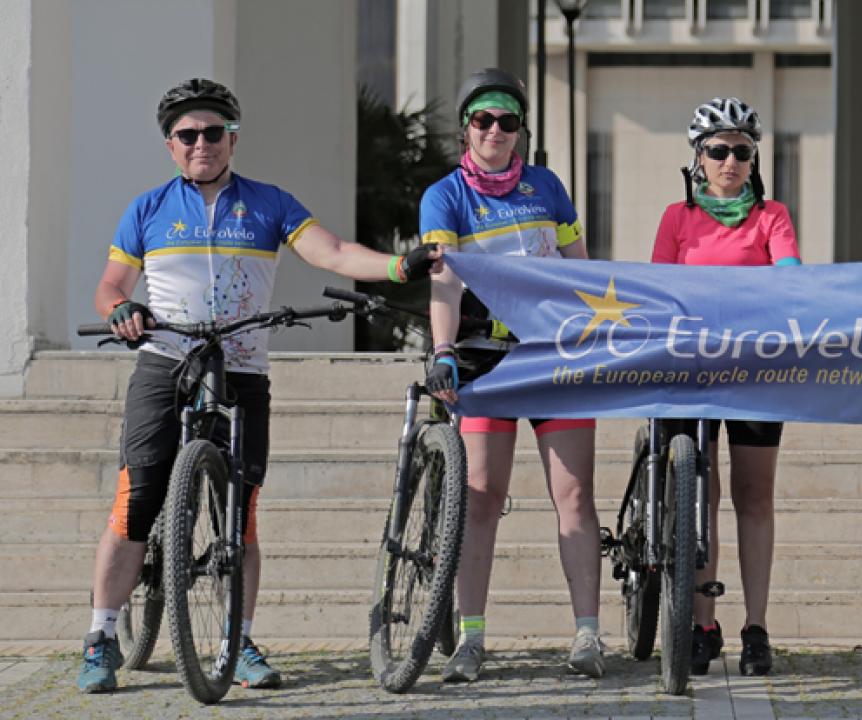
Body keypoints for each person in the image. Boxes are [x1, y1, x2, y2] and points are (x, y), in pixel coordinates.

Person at [77, 78, 437, 694]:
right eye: (187, 135)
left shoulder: (269, 203)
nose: (201, 144)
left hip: (242, 368)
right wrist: (120, 310)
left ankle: (236, 638)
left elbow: (332, 252)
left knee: (240, 515)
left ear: (232, 138)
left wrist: (398, 266)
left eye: (213, 132)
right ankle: (101, 636)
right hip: (165, 361)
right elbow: (109, 286)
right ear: (170, 145)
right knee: (135, 501)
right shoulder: (148, 208)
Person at [421, 68, 604, 681]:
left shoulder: (547, 186)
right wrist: (443, 348)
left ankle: (587, 636)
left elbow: (581, 268)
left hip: (553, 356)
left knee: (574, 496)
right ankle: (470, 640)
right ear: (466, 128)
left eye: (507, 121)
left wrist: (600, 330)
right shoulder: (445, 196)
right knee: (481, 500)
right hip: (483, 356)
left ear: (520, 129)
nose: (495, 130)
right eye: (483, 120)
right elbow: (443, 279)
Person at [651, 97, 801, 677]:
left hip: (755, 368)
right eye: (718, 151)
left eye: (741, 151)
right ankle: (701, 623)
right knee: (698, 497)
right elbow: (659, 289)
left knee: (754, 497)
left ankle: (756, 628)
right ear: (698, 158)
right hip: (688, 367)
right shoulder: (676, 217)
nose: (730, 162)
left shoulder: (773, 216)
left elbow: (789, 275)